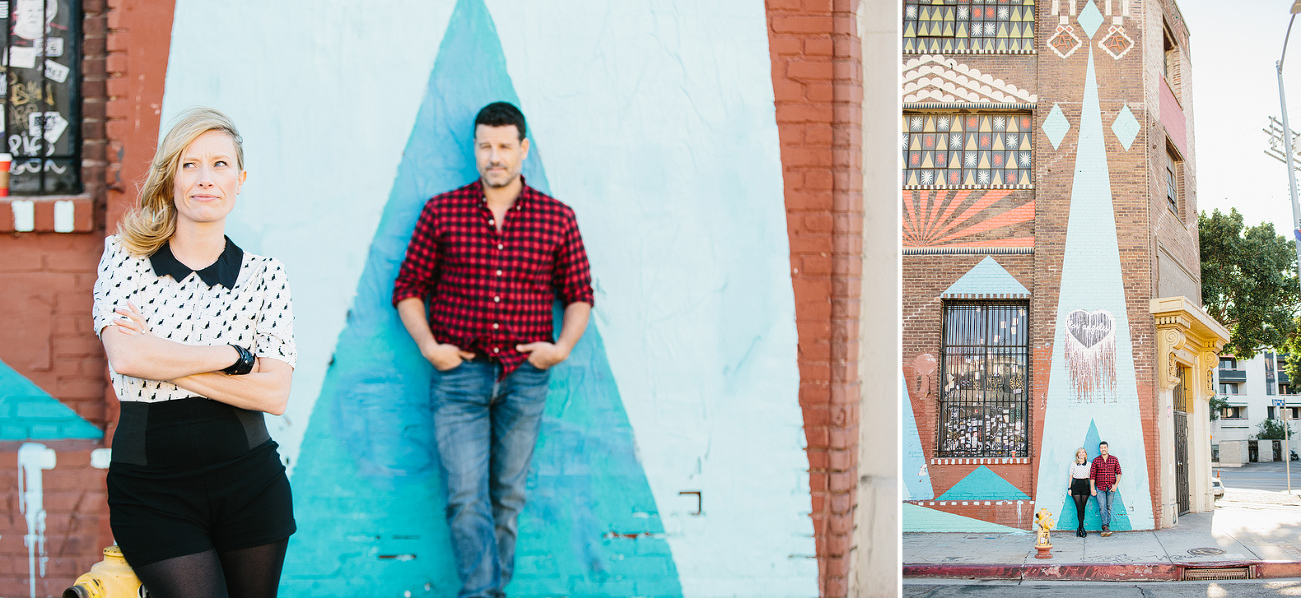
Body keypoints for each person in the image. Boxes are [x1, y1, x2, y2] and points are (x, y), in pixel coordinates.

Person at [93, 108, 297, 598]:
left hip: (250, 485)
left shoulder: (267, 276)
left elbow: (274, 393)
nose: (205, 179)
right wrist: (232, 354)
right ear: (171, 177)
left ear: (240, 179)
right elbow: (126, 358)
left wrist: (161, 356)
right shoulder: (125, 258)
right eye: (190, 165)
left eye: (220, 165)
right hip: (151, 489)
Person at [393, 101, 593, 598]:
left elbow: (580, 294)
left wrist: (561, 348)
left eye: (505, 146)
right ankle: (483, 594)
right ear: (476, 149)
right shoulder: (442, 211)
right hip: (458, 374)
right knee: (465, 497)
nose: (494, 156)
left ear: (523, 149)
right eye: (486, 146)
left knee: (507, 496)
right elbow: (408, 288)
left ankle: (486, 592)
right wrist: (429, 346)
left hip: (525, 375)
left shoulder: (556, 218)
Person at [1090, 440, 1122, 537]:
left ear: (1107, 448)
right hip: (1100, 488)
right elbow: (1092, 476)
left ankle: (1105, 527)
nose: (1103, 449)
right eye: (1101, 448)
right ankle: (1105, 526)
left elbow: (1119, 473)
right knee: (1102, 507)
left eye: (1105, 447)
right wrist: (1092, 488)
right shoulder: (1096, 460)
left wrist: (1116, 485)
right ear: (1100, 449)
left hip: (1111, 488)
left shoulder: (1114, 459)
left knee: (1109, 507)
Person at [1067, 447, 1091, 537]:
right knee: (1079, 507)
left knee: (1083, 507)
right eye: (1079, 452)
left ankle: (1079, 528)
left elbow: (1091, 477)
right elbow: (1070, 476)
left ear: (1085, 454)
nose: (1081, 454)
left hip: (1085, 485)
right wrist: (1069, 488)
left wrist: (1092, 488)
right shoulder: (1073, 464)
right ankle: (1082, 528)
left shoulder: (1089, 464)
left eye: (1083, 452)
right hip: (1075, 486)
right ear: (1077, 455)